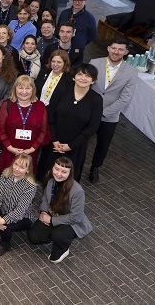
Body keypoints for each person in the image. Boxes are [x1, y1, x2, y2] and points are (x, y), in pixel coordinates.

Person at [37, 64, 103, 182]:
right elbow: (50, 115)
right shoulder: (61, 91)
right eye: (80, 74)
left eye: (88, 76)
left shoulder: (96, 100)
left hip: (75, 147)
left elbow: (92, 127)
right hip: (54, 143)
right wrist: (54, 140)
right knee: (46, 176)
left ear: (93, 80)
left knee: (67, 181)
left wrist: (71, 146)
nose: (83, 78)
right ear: (73, 77)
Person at [88, 37, 137, 183]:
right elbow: (86, 87)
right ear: (108, 48)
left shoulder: (131, 72)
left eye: (121, 49)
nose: (116, 52)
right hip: (89, 112)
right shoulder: (94, 63)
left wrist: (103, 112)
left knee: (103, 144)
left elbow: (125, 99)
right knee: (83, 139)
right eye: (114, 48)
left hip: (109, 117)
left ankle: (95, 167)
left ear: (126, 52)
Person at [27, 156, 93, 263]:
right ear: (52, 168)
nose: (58, 174)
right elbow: (45, 196)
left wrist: (51, 221)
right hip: (53, 214)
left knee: (58, 237)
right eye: (56, 169)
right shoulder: (51, 181)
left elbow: (76, 217)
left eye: (64, 171)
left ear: (69, 173)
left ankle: (63, 246)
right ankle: (56, 235)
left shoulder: (77, 191)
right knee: (33, 237)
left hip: (71, 221)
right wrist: (43, 211)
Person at [0, 153, 37, 257]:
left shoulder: (30, 186)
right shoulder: (6, 174)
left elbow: (20, 210)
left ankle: (5, 244)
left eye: (22, 167)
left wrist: (0, 221)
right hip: (3, 208)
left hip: (22, 216)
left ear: (27, 170)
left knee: (5, 226)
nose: (17, 169)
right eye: (16, 164)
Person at [0, 75, 50, 177]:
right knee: (7, 179)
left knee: (25, 182)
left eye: (28, 88)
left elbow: (43, 131)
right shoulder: (7, 104)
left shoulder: (40, 106)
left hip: (30, 153)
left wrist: (32, 149)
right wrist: (10, 148)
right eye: (20, 87)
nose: (24, 91)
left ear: (33, 89)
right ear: (15, 89)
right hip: (10, 151)